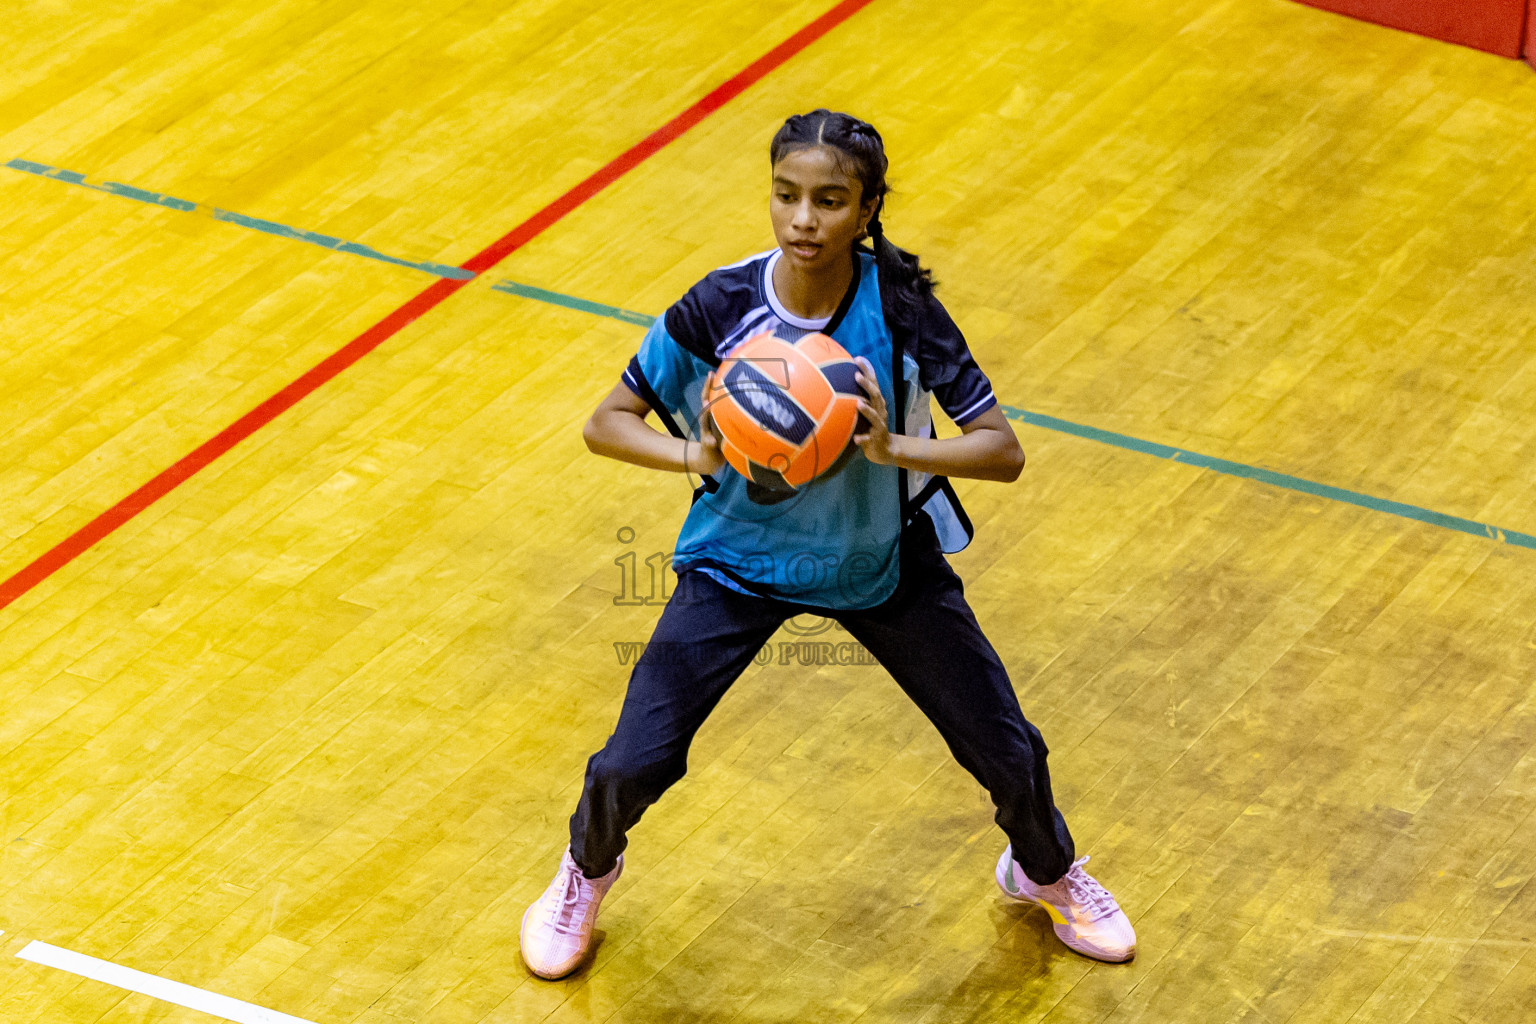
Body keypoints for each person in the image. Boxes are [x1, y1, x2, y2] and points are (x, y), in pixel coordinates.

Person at [519, 109, 1136, 979]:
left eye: (830, 200)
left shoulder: (904, 312)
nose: (804, 219)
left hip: (880, 565)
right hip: (737, 563)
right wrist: (695, 451)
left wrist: (894, 450)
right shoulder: (721, 303)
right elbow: (605, 424)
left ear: (868, 208)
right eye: (787, 196)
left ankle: (1046, 872)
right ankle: (585, 872)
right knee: (634, 758)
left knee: (1006, 746)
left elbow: (1003, 450)